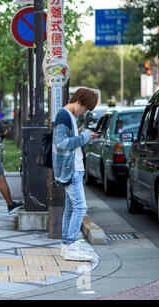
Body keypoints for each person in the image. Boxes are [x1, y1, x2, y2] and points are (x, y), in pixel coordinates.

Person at [52, 88, 100, 261]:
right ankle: (72, 245)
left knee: (71, 208)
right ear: (79, 101)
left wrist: (84, 136)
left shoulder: (68, 115)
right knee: (80, 207)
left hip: (72, 167)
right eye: (85, 108)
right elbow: (61, 142)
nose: (84, 112)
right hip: (70, 169)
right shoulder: (64, 115)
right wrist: (85, 136)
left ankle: (67, 246)